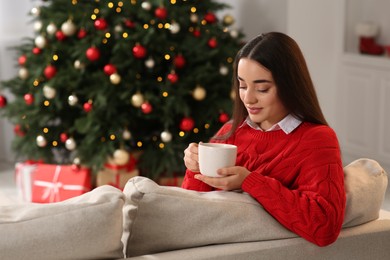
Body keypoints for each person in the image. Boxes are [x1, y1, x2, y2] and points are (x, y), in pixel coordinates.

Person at [182, 32, 346, 247]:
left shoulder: (317, 139)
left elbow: (324, 226)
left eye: (262, 88)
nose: (248, 98)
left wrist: (249, 181)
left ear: (289, 86)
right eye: (242, 85)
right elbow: (189, 217)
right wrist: (195, 169)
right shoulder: (231, 130)